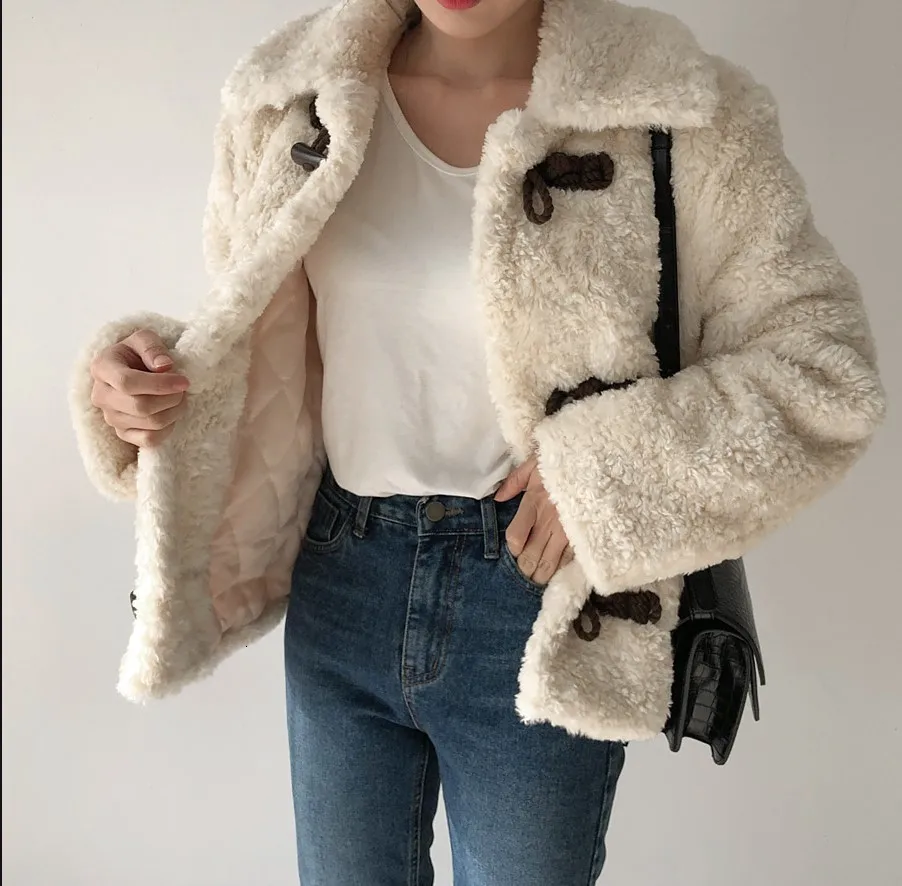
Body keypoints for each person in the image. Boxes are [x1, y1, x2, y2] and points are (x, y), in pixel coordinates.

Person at [71, 0, 885, 882]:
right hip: (342, 579)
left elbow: (824, 371)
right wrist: (148, 385)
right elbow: (262, 344)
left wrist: (604, 475)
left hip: (537, 602)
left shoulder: (680, 110)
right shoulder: (291, 102)